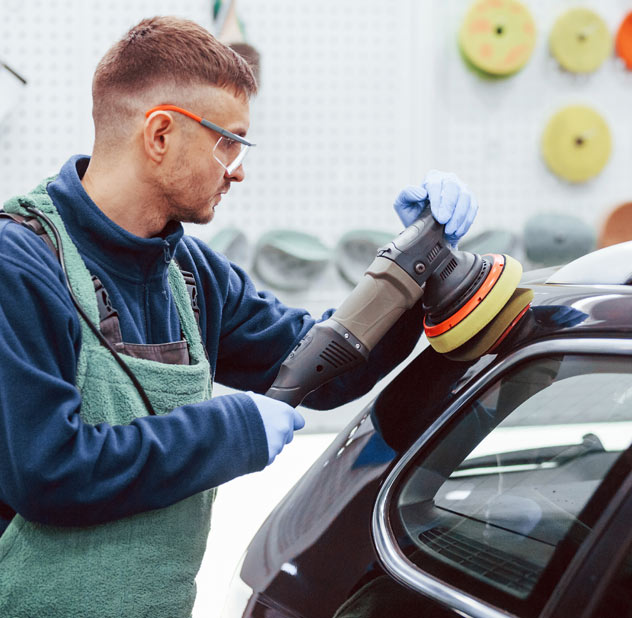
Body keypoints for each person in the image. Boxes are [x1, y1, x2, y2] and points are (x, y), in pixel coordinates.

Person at [0, 16, 478, 617]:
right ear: (160, 135)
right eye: (229, 140)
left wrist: (411, 267)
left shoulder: (191, 274)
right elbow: (45, 470)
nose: (239, 168)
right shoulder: (19, 264)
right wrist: (229, 429)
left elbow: (327, 368)